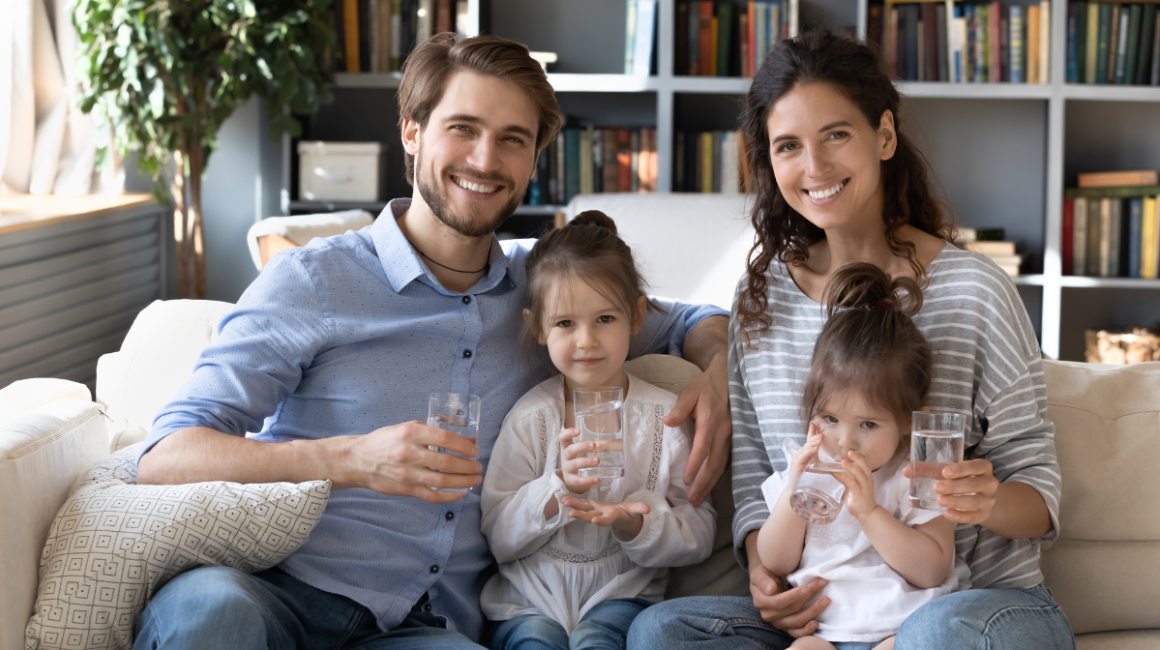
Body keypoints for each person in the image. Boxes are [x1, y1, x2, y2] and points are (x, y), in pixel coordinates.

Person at [132, 34, 732, 650]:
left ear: (532, 162)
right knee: (210, 615)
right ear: (412, 133)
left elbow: (693, 319)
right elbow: (166, 457)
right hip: (273, 591)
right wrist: (349, 459)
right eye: (463, 128)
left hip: (423, 628)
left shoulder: (551, 295)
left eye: (513, 140)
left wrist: (716, 372)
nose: (485, 159)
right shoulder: (314, 280)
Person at [627, 30, 1074, 650]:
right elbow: (756, 482)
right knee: (661, 632)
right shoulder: (763, 299)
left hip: (971, 607)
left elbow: (1040, 494)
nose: (814, 167)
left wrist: (987, 499)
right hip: (830, 617)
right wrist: (764, 577)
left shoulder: (974, 291)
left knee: (933, 635)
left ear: (884, 136)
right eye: (788, 146)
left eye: (836, 134)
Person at [480, 211, 717, 650]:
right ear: (537, 327)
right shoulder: (530, 418)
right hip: (528, 603)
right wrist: (557, 486)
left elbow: (699, 532)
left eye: (605, 319)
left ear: (637, 315)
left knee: (596, 639)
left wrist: (636, 525)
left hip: (622, 598)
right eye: (565, 323)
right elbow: (498, 537)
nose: (586, 340)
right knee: (536, 640)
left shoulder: (665, 419)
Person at [756, 263, 966, 650]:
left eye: (868, 424)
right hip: (822, 631)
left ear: (908, 422)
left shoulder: (917, 472)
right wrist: (792, 493)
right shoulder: (806, 466)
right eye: (830, 419)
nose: (845, 441)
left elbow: (932, 570)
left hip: (902, 627)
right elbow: (775, 562)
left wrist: (869, 512)